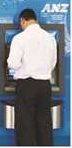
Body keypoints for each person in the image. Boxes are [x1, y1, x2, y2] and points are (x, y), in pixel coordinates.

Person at [7, 9, 57, 146]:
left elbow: (13, 63)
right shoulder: (50, 38)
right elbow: (53, 63)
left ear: (23, 20)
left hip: (26, 85)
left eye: (20, 23)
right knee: (44, 125)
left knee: (25, 126)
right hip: (44, 86)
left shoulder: (19, 38)